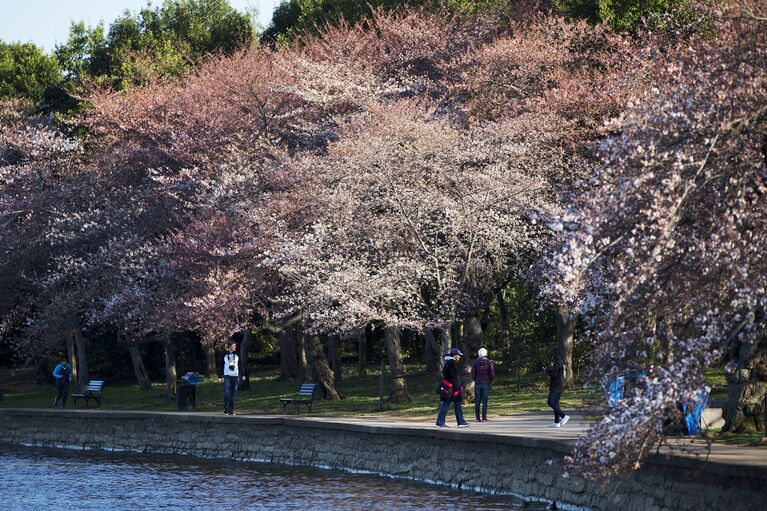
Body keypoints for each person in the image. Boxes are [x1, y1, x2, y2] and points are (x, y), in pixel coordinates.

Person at [436, 348, 470, 429]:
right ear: (454, 355)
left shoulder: (448, 362)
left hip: (448, 388)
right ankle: (443, 422)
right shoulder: (452, 363)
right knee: (449, 404)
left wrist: (459, 386)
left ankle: (458, 421)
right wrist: (456, 389)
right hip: (451, 389)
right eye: (458, 355)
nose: (459, 357)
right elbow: (454, 378)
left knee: (449, 404)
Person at [544, 350, 570, 428]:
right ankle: (557, 422)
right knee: (556, 403)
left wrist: (546, 370)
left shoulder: (558, 363)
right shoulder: (561, 363)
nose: (551, 358)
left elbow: (554, 374)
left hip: (556, 386)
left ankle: (564, 416)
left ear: (555, 356)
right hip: (560, 385)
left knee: (550, 402)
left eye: (552, 356)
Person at [471, 347, 495, 422]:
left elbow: (473, 373)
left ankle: (477, 418)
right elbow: (491, 372)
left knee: (477, 401)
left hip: (478, 383)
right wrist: (491, 380)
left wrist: (475, 379)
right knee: (484, 401)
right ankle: (484, 417)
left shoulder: (475, 362)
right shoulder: (488, 362)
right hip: (485, 383)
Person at [223, 341, 239, 415]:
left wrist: (243, 374)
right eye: (233, 346)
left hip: (235, 376)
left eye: (235, 346)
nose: (235, 347)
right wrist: (219, 376)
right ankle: (226, 408)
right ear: (229, 347)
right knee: (227, 393)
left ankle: (231, 410)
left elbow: (241, 364)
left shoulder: (237, 355)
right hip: (227, 376)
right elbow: (220, 365)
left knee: (233, 394)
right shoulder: (224, 355)